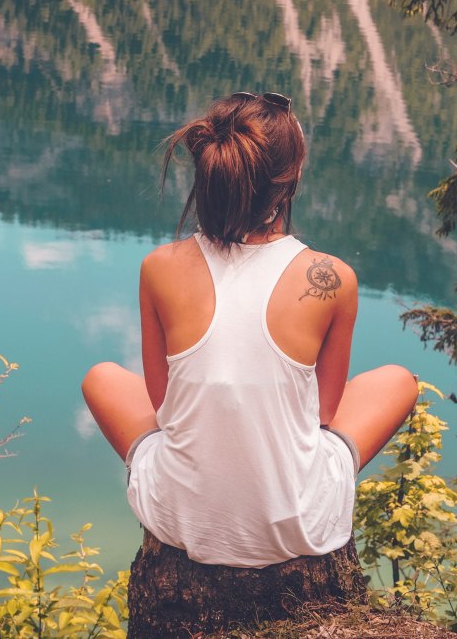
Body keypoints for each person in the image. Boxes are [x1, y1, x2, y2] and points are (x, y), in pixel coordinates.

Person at [81, 91, 418, 568]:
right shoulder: (333, 278)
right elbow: (322, 415)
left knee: (101, 377)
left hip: (180, 519)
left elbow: (162, 405)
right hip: (299, 522)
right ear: (287, 186)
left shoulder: (159, 266)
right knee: (398, 381)